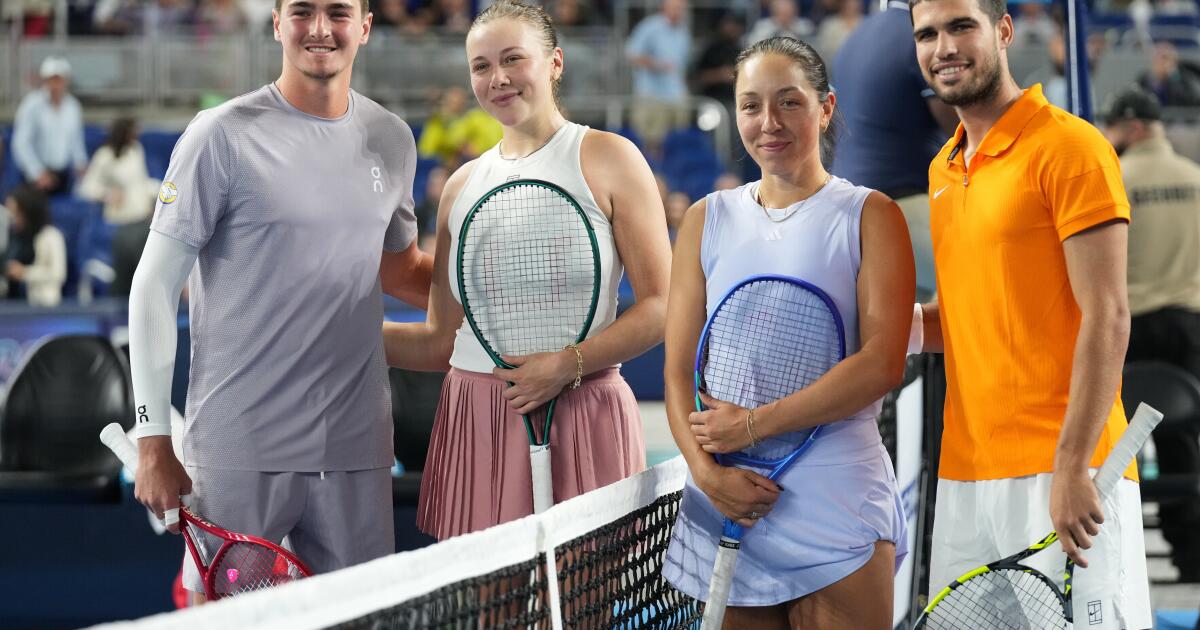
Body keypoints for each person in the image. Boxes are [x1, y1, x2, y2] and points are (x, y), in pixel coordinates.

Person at [129, 0, 432, 603]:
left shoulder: (392, 140)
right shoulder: (218, 136)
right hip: (239, 449)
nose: (320, 28)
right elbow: (152, 289)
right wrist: (152, 439)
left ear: (365, 27)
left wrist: (497, 301)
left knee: (359, 619)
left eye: (339, 13)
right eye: (302, 11)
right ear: (276, 23)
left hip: (356, 448)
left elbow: (401, 270)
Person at [382, 0, 672, 541]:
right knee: (491, 611)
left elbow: (662, 306)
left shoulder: (611, 156)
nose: (499, 78)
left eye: (514, 59)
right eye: (482, 66)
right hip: (476, 419)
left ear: (555, 63)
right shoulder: (460, 187)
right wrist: (339, 337)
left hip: (583, 407)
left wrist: (568, 364)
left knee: (587, 601)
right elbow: (440, 341)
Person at [909, 0, 1153, 626]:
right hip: (966, 477)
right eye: (927, 34)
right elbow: (964, 315)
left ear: (1004, 31)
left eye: (961, 25)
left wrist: (1072, 467)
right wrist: (882, 332)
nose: (944, 47)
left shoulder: (1071, 148)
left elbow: (1109, 314)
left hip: (1066, 468)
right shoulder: (944, 167)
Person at [662, 37, 914, 628]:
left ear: (825, 109)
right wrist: (706, 475)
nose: (767, 123)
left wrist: (751, 425)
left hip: (838, 496)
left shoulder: (871, 214)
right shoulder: (706, 218)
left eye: (789, 103)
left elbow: (882, 364)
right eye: (750, 105)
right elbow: (678, 372)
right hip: (721, 497)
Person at [1101, 86, 1200, 582]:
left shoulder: (1117, 177)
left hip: (1133, 325)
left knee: (1119, 442)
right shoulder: (1195, 178)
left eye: (1115, 128)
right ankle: (1191, 554)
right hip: (1190, 323)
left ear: (1134, 127)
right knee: (1188, 443)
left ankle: (1117, 557)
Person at [831, 0, 958, 301]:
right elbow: (962, 129)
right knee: (985, 272)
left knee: (907, 328)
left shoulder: (855, 35)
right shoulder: (920, 35)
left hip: (848, 213)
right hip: (902, 207)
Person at [11, 56, 88, 196]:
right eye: (52, 79)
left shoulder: (73, 106)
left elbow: (76, 140)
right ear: (45, 80)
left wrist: (80, 163)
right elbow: (21, 143)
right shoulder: (32, 105)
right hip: (36, 176)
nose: (56, 84)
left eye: (59, 79)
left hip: (63, 174)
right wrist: (36, 172)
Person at [625, 0, 692, 159]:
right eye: (675, 7)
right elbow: (632, 54)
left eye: (681, 8)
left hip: (676, 92)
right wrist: (656, 65)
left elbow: (682, 65)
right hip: (651, 92)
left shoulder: (683, 31)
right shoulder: (650, 27)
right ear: (664, 8)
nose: (678, 11)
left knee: (680, 136)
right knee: (651, 142)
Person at [78, 116, 159, 225]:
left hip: (144, 212)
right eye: (133, 132)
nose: (136, 136)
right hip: (120, 216)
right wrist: (108, 194)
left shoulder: (136, 149)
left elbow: (142, 181)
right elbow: (86, 188)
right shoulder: (104, 155)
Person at [4, 184, 66, 307]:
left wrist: (25, 273)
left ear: (28, 211)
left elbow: (58, 274)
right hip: (10, 302)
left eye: (16, 214)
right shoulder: (13, 235)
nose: (13, 219)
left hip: (40, 304)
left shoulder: (51, 236)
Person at [417, 86, 503, 170]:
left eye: (461, 102)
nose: (457, 105)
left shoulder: (502, 118)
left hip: (492, 160)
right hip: (435, 161)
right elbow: (454, 141)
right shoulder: (471, 117)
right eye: (453, 101)